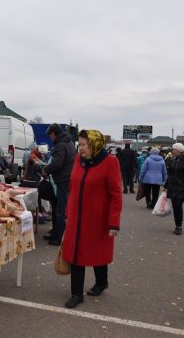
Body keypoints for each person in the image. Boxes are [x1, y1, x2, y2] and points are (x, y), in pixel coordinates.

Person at [62, 130, 122, 309]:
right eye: (79, 144)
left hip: (98, 219)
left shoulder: (110, 162)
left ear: (95, 145)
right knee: (76, 255)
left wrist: (114, 222)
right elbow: (72, 188)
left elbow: (116, 194)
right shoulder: (77, 160)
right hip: (76, 218)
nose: (80, 149)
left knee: (97, 252)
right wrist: (67, 212)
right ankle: (76, 293)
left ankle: (102, 282)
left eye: (84, 145)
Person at [42, 123, 76, 246]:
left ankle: (59, 237)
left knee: (60, 210)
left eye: (50, 135)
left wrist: (45, 170)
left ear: (54, 134)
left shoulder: (61, 145)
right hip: (66, 179)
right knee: (58, 208)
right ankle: (56, 232)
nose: (50, 138)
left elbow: (57, 163)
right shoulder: (69, 142)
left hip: (63, 181)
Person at [164, 143, 184, 235]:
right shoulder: (173, 160)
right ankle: (177, 225)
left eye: (173, 149)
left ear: (178, 150)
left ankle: (179, 226)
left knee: (178, 206)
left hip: (182, 188)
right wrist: (165, 186)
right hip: (172, 187)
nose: (172, 151)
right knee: (175, 206)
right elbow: (170, 174)